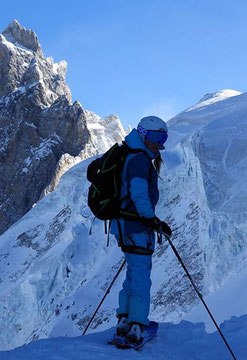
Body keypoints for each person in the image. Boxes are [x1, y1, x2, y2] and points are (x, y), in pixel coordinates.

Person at [110, 115, 171, 345]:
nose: (159, 143)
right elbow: (138, 191)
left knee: (132, 275)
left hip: (124, 226)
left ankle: (124, 321)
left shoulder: (131, 153)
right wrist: (150, 219)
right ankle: (136, 327)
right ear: (143, 134)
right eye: (155, 137)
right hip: (136, 226)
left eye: (162, 138)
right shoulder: (140, 159)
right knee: (141, 277)